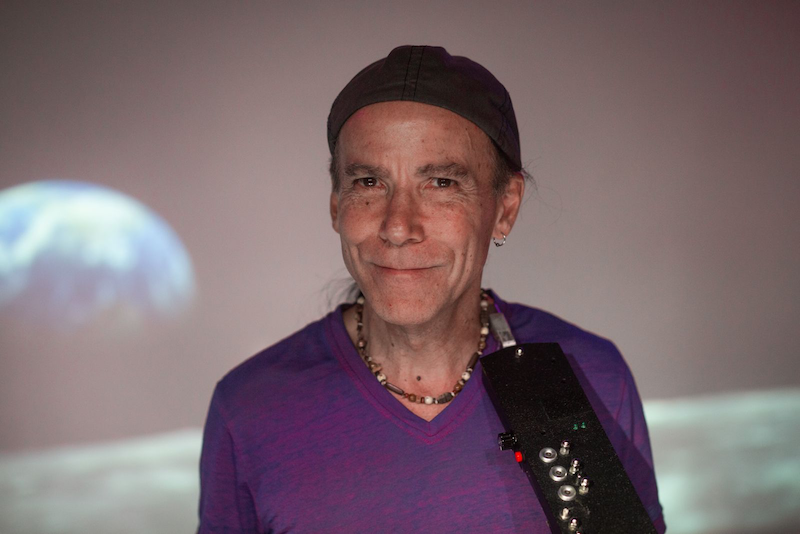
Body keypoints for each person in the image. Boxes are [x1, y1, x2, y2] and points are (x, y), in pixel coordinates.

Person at [198, 45, 665, 533]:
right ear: (337, 204)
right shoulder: (249, 409)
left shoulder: (592, 374)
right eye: (369, 182)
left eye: (441, 182)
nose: (398, 227)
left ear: (505, 207)